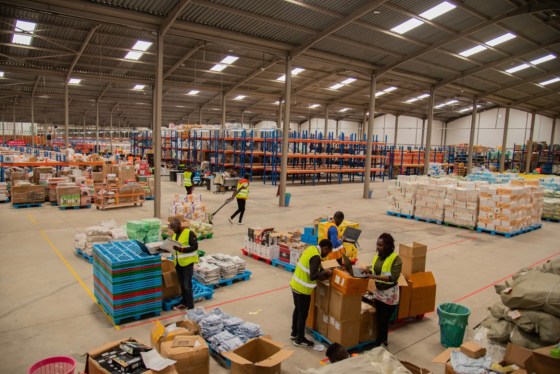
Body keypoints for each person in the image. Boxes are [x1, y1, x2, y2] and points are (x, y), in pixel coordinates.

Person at [360, 233, 402, 347]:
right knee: (380, 319)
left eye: (381, 245)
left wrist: (374, 277)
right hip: (379, 293)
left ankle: (378, 344)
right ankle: (383, 340)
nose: (378, 247)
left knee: (383, 320)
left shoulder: (396, 259)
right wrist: (368, 271)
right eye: (377, 245)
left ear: (388, 246)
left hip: (389, 295)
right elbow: (377, 271)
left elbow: (392, 277)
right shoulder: (378, 256)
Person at [290, 239, 333, 348]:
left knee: (297, 310)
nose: (327, 255)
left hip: (295, 284)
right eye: (328, 252)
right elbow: (313, 276)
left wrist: (322, 268)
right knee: (303, 314)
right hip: (303, 290)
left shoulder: (311, 249)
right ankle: (300, 339)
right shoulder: (316, 257)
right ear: (325, 248)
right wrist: (325, 272)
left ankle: (294, 333)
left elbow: (313, 265)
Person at [169, 217, 199, 310]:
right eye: (172, 229)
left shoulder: (188, 233)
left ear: (179, 226)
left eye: (174, 229)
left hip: (187, 263)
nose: (173, 230)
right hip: (178, 263)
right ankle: (184, 302)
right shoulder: (174, 236)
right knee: (182, 285)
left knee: (187, 286)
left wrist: (182, 249)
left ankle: (190, 305)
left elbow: (195, 247)